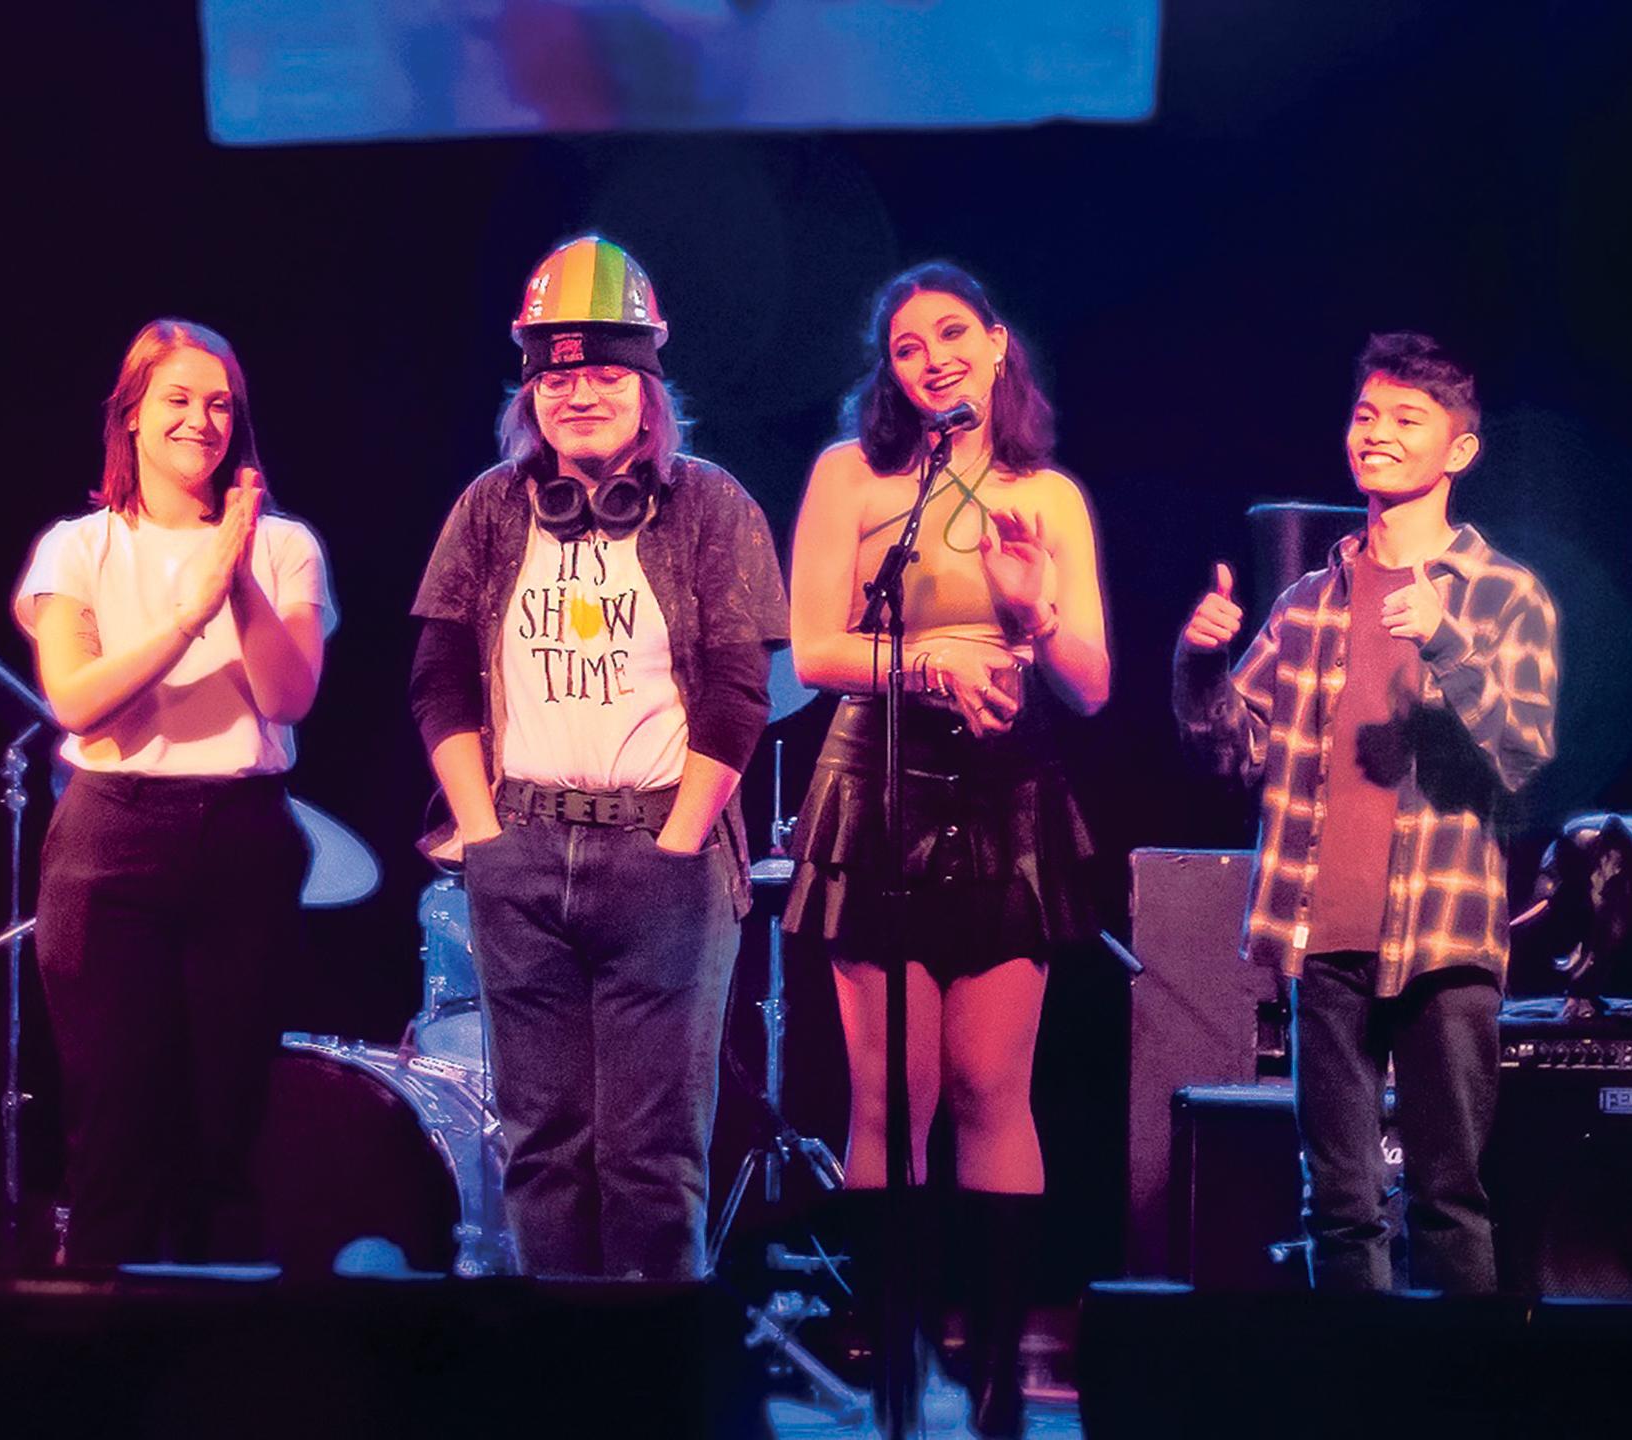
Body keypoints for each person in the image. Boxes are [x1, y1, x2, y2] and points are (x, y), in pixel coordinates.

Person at [409, 236, 788, 1280]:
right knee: (542, 1153)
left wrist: (677, 844)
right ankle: (556, 1397)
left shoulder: (711, 505)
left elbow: (736, 696)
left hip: (661, 857)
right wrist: (481, 834)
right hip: (518, 854)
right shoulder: (490, 507)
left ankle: (650, 1401)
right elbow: (437, 678)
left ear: (649, 386)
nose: (579, 393)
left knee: (652, 1161)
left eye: (606, 373)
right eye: (558, 374)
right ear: (530, 389)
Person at [783, 261, 1108, 1436]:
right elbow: (810, 646)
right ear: (892, 370)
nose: (933, 358)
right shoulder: (855, 477)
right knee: (889, 1094)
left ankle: (993, 1392)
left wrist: (1026, 621)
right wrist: (926, 662)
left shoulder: (1048, 497)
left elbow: (1090, 683)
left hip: (1007, 788)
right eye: (909, 346)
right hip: (875, 781)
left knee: (987, 1086)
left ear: (997, 343)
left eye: (952, 335)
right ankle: (897, 1373)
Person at [1173, 331, 1558, 1294]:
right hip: (1321, 936)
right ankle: (1355, 1406)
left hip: (1444, 939)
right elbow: (1234, 751)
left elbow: (1523, 757)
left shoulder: (1503, 597)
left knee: (1448, 1199)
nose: (1377, 433)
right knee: (1338, 1208)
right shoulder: (1310, 600)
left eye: (1406, 419)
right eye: (1365, 414)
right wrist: (1197, 666)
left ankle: (1457, 1411)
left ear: (1459, 451)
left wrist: (1449, 644)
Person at [14, 318, 335, 1265]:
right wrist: (189, 614)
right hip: (109, 843)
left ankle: (216, 1388)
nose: (202, 420)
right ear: (132, 415)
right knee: (114, 1139)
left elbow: (288, 695)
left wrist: (233, 579)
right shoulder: (80, 548)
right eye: (179, 400)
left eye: (220, 405)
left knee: (223, 1139)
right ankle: (98, 1380)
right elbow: (77, 703)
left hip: (242, 840)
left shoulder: (282, 548)